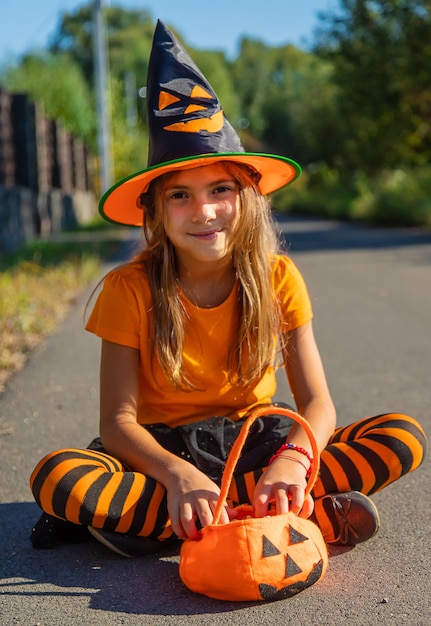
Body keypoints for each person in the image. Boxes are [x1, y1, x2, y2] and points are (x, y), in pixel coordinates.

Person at [30, 20, 426, 558]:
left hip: (257, 443)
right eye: (180, 197)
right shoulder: (130, 288)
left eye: (220, 189)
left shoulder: (278, 279)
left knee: (401, 435)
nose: (205, 212)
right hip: (160, 449)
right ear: (154, 211)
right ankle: (284, 515)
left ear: (248, 197)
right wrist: (175, 475)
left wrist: (292, 461)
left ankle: (191, 518)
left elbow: (317, 405)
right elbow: (119, 423)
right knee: (60, 476)